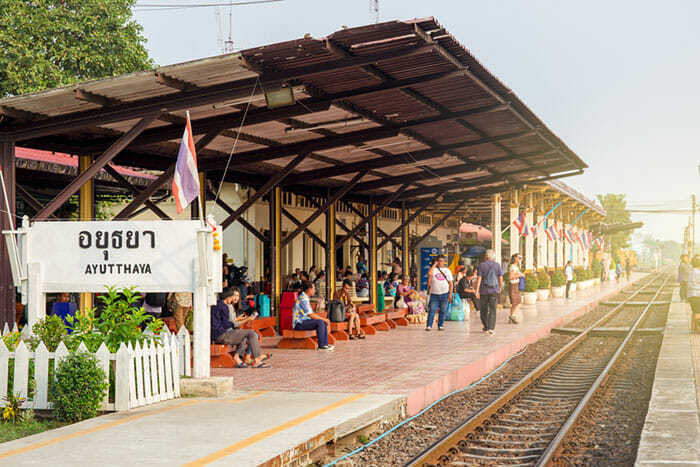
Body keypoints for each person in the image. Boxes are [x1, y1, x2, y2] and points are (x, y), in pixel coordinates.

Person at [210, 289, 269, 368]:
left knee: (243, 335)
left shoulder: (215, 304)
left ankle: (237, 357)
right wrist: (239, 320)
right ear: (228, 298)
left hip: (215, 334)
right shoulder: (224, 307)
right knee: (251, 332)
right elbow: (226, 325)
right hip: (221, 335)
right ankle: (257, 359)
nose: (232, 300)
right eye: (231, 297)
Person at [293, 281, 334, 350]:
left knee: (322, 322)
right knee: (320, 322)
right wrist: (324, 319)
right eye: (313, 289)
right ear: (309, 289)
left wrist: (323, 319)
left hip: (305, 321)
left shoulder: (305, 298)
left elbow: (311, 314)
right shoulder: (303, 299)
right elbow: (311, 315)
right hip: (299, 323)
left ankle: (325, 344)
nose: (314, 291)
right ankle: (321, 346)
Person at [475, 249, 503, 334]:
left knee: (483, 309)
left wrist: (477, 290)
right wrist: (500, 287)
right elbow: (500, 277)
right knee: (493, 309)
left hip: (483, 290)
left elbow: (479, 278)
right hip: (494, 290)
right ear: (494, 257)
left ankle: (486, 326)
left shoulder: (481, 265)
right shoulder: (497, 265)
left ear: (486, 257)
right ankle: (491, 327)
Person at [426, 254, 454, 331]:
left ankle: (440, 325)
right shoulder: (433, 270)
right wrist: (434, 264)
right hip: (434, 294)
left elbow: (451, 283)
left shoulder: (447, 271)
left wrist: (450, 294)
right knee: (432, 310)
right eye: (439, 261)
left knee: (443, 310)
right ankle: (429, 325)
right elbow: (429, 274)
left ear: (444, 262)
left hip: (445, 293)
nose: (440, 262)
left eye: (442, 261)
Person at [507, 254, 524, 324]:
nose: (520, 259)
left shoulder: (517, 267)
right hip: (513, 285)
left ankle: (512, 316)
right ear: (515, 258)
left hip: (516, 285)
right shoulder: (512, 266)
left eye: (521, 258)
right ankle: (512, 316)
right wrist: (519, 275)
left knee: (517, 302)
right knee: (515, 302)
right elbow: (510, 277)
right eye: (519, 258)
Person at [688, 257, 700, 324]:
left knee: (694, 312)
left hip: (691, 295)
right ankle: (698, 329)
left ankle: (693, 329)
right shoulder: (697, 273)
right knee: (698, 312)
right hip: (697, 295)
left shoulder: (692, 272)